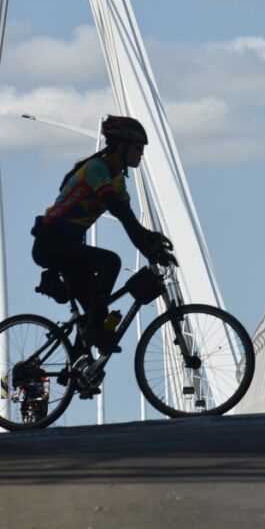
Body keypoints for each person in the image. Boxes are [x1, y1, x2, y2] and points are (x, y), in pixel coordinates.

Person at [31, 114, 175, 355]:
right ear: (121, 147)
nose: (141, 154)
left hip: (69, 246)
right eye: (138, 148)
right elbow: (121, 213)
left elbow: (131, 222)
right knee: (111, 263)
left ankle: (78, 365)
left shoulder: (117, 179)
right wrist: (148, 244)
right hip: (51, 243)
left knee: (96, 312)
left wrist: (152, 242)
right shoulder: (97, 170)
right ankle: (93, 331)